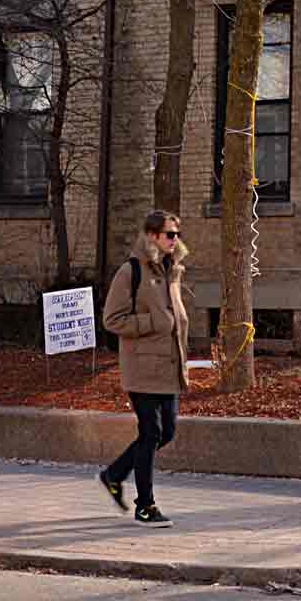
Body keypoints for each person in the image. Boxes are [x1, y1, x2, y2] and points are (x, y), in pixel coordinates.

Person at [99, 211, 189, 528]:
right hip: (142, 368)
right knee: (150, 434)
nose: (174, 239)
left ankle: (114, 474)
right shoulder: (131, 271)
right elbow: (112, 319)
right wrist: (153, 322)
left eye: (176, 233)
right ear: (151, 235)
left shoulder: (171, 270)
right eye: (169, 234)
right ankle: (145, 505)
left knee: (167, 432)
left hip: (168, 368)